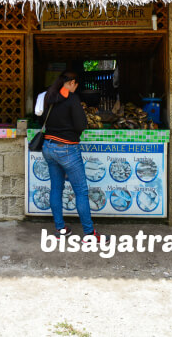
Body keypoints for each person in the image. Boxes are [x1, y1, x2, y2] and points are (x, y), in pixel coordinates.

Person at [41, 70, 103, 240]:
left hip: (49, 147)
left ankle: (61, 230)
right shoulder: (72, 98)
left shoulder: (49, 97)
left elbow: (41, 120)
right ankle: (89, 234)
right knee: (81, 191)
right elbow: (81, 125)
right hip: (67, 149)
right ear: (71, 83)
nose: (76, 87)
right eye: (75, 84)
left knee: (56, 189)